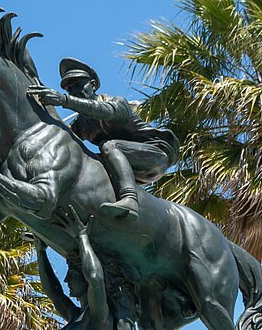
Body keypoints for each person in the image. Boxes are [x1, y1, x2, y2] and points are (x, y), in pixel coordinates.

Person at [27, 58, 179, 220]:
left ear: (93, 84)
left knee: (110, 146)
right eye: (69, 89)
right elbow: (60, 140)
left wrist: (65, 100)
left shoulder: (117, 103)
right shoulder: (81, 124)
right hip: (121, 166)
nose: (73, 90)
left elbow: (104, 111)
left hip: (154, 157)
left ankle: (130, 200)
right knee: (83, 166)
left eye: (78, 84)